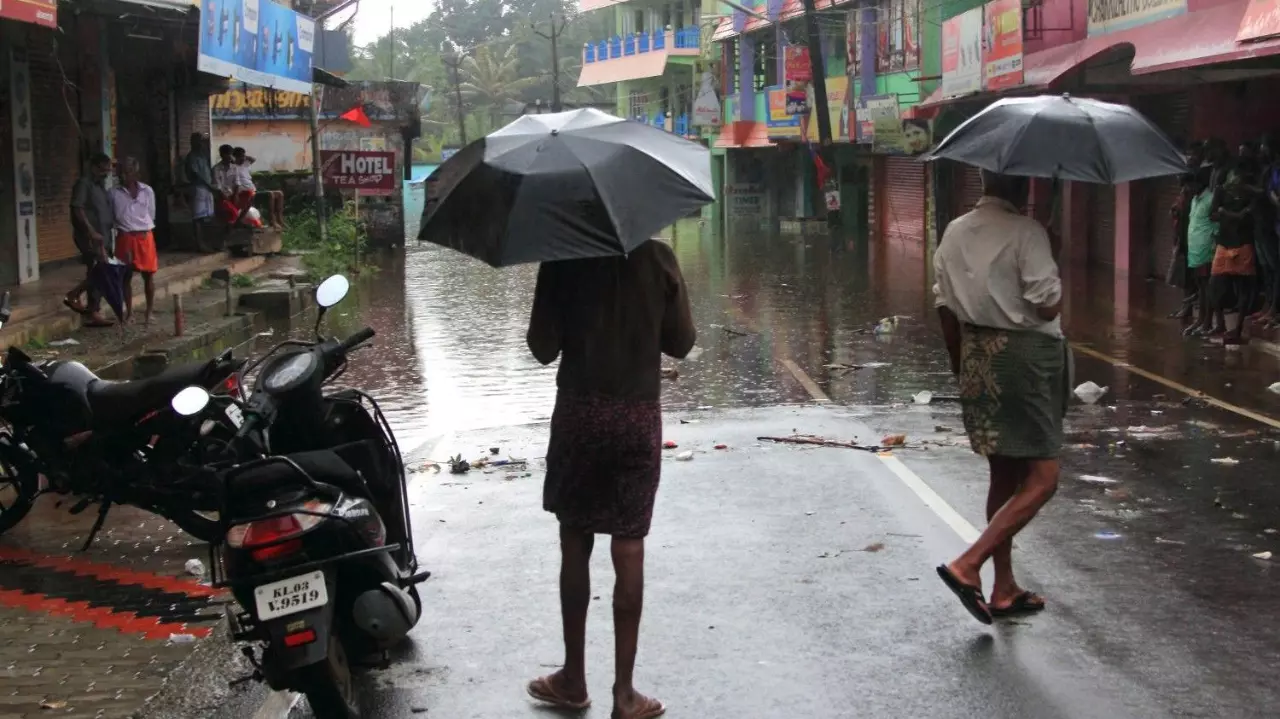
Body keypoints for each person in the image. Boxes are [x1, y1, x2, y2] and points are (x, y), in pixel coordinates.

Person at [524, 238, 695, 719]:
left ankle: (574, 679)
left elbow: (541, 348)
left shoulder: (561, 258)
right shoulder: (660, 258)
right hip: (638, 416)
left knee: (575, 538)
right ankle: (625, 693)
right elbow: (681, 343)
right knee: (629, 542)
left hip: (580, 413)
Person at [932, 170, 1066, 625]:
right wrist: (1053, 255)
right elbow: (1047, 304)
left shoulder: (953, 232)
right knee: (1043, 477)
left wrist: (961, 366)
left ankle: (1004, 586)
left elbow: (944, 306)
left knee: (1004, 474)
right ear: (1024, 185)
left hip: (977, 356)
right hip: (1024, 359)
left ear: (985, 179)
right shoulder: (1028, 232)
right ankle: (969, 564)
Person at [1208, 164, 1258, 344]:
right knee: (1214, 285)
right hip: (1224, 243)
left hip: (1243, 245)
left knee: (1243, 288)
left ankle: (1237, 329)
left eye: (1238, 179)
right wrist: (1226, 213)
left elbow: (1245, 217)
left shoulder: (1249, 195)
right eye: (1233, 178)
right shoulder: (1221, 191)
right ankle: (1220, 323)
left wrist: (1225, 212)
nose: (1234, 181)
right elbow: (1212, 214)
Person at [65, 153, 115, 327]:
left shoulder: (100, 187)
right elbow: (77, 209)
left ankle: (92, 308)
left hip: (104, 236)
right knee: (101, 269)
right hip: (89, 236)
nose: (106, 174)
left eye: (108, 171)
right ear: (94, 167)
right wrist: (91, 230)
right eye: (103, 170)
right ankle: (77, 297)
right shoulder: (83, 184)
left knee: (99, 270)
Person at [110, 157, 159, 326]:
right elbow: (112, 216)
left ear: (135, 172)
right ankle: (129, 313)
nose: (124, 176)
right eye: (121, 172)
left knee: (149, 276)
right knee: (125, 277)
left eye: (128, 172)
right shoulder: (114, 194)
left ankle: (149, 312)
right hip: (125, 237)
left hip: (144, 237)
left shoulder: (147, 191)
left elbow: (151, 214)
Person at [1184, 167, 1220, 336]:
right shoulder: (1194, 200)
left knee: (1207, 288)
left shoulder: (1210, 200)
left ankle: (1206, 322)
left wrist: (1213, 245)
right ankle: (1201, 320)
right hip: (1195, 250)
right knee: (1200, 287)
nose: (1188, 188)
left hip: (1206, 249)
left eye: (1191, 184)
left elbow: (1215, 226)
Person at [231, 147, 285, 229]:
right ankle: (272, 221)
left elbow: (253, 159)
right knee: (270, 194)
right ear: (235, 157)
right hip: (246, 193)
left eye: (243, 156)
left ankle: (280, 219)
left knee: (279, 194)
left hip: (253, 190)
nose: (242, 158)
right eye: (240, 156)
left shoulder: (245, 163)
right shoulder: (233, 168)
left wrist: (245, 157)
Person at [183, 132, 218, 251]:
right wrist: (209, 185)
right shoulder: (192, 156)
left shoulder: (203, 156)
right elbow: (196, 174)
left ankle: (207, 242)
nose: (201, 144)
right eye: (199, 141)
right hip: (199, 188)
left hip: (207, 189)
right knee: (198, 217)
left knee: (207, 217)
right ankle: (199, 244)